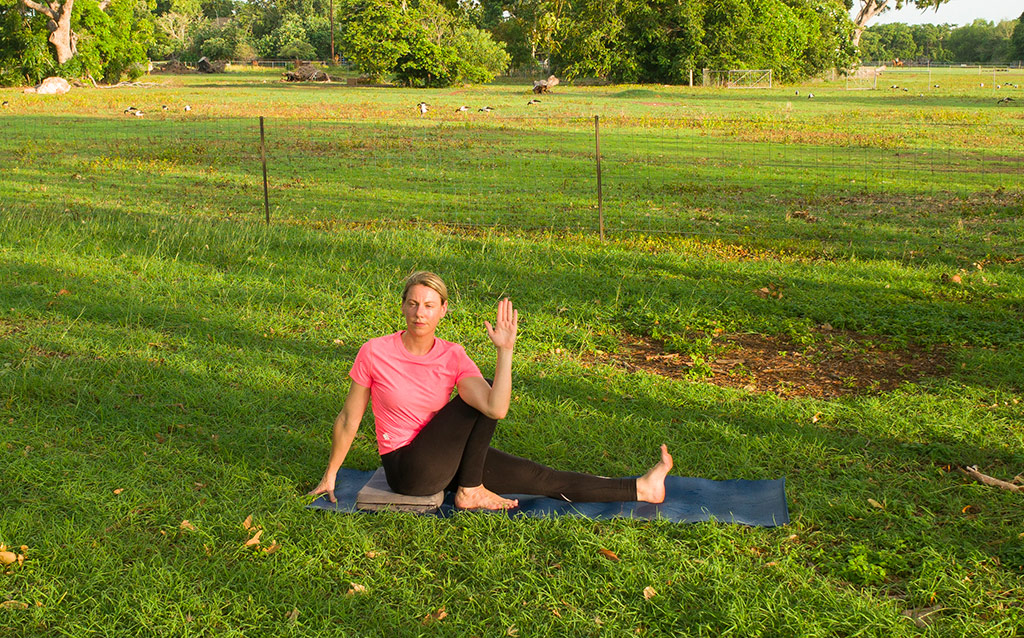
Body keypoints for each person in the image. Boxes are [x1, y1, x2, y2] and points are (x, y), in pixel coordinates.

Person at [309, 271, 673, 510]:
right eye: (413, 303)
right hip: (407, 468)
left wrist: (505, 352)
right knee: (474, 402)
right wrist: (330, 474)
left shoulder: (452, 355)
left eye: (430, 306)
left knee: (539, 477)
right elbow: (348, 418)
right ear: (403, 306)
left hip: (445, 456)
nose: (420, 313)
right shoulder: (375, 351)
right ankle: (469, 490)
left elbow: (496, 409)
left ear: (443, 311)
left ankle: (641, 488)